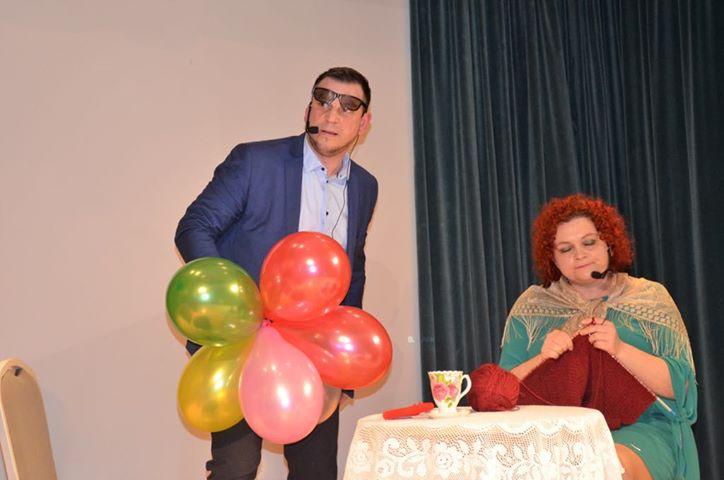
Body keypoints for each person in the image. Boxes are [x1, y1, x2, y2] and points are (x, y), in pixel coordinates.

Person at [175, 66, 378, 480]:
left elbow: (353, 272)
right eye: (323, 100)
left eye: (347, 106)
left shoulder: (365, 186)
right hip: (243, 347)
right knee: (236, 469)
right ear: (308, 109)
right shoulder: (255, 162)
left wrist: (344, 372)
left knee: (316, 472)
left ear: (364, 123)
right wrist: (228, 304)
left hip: (316, 354)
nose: (331, 114)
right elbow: (194, 226)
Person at [499, 193, 698, 480]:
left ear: (608, 243)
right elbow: (500, 392)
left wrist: (620, 349)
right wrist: (542, 358)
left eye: (589, 242)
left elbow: (682, 389)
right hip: (554, 435)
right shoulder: (531, 306)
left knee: (605, 465)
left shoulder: (651, 297)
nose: (579, 255)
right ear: (552, 257)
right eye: (565, 249)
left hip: (641, 430)